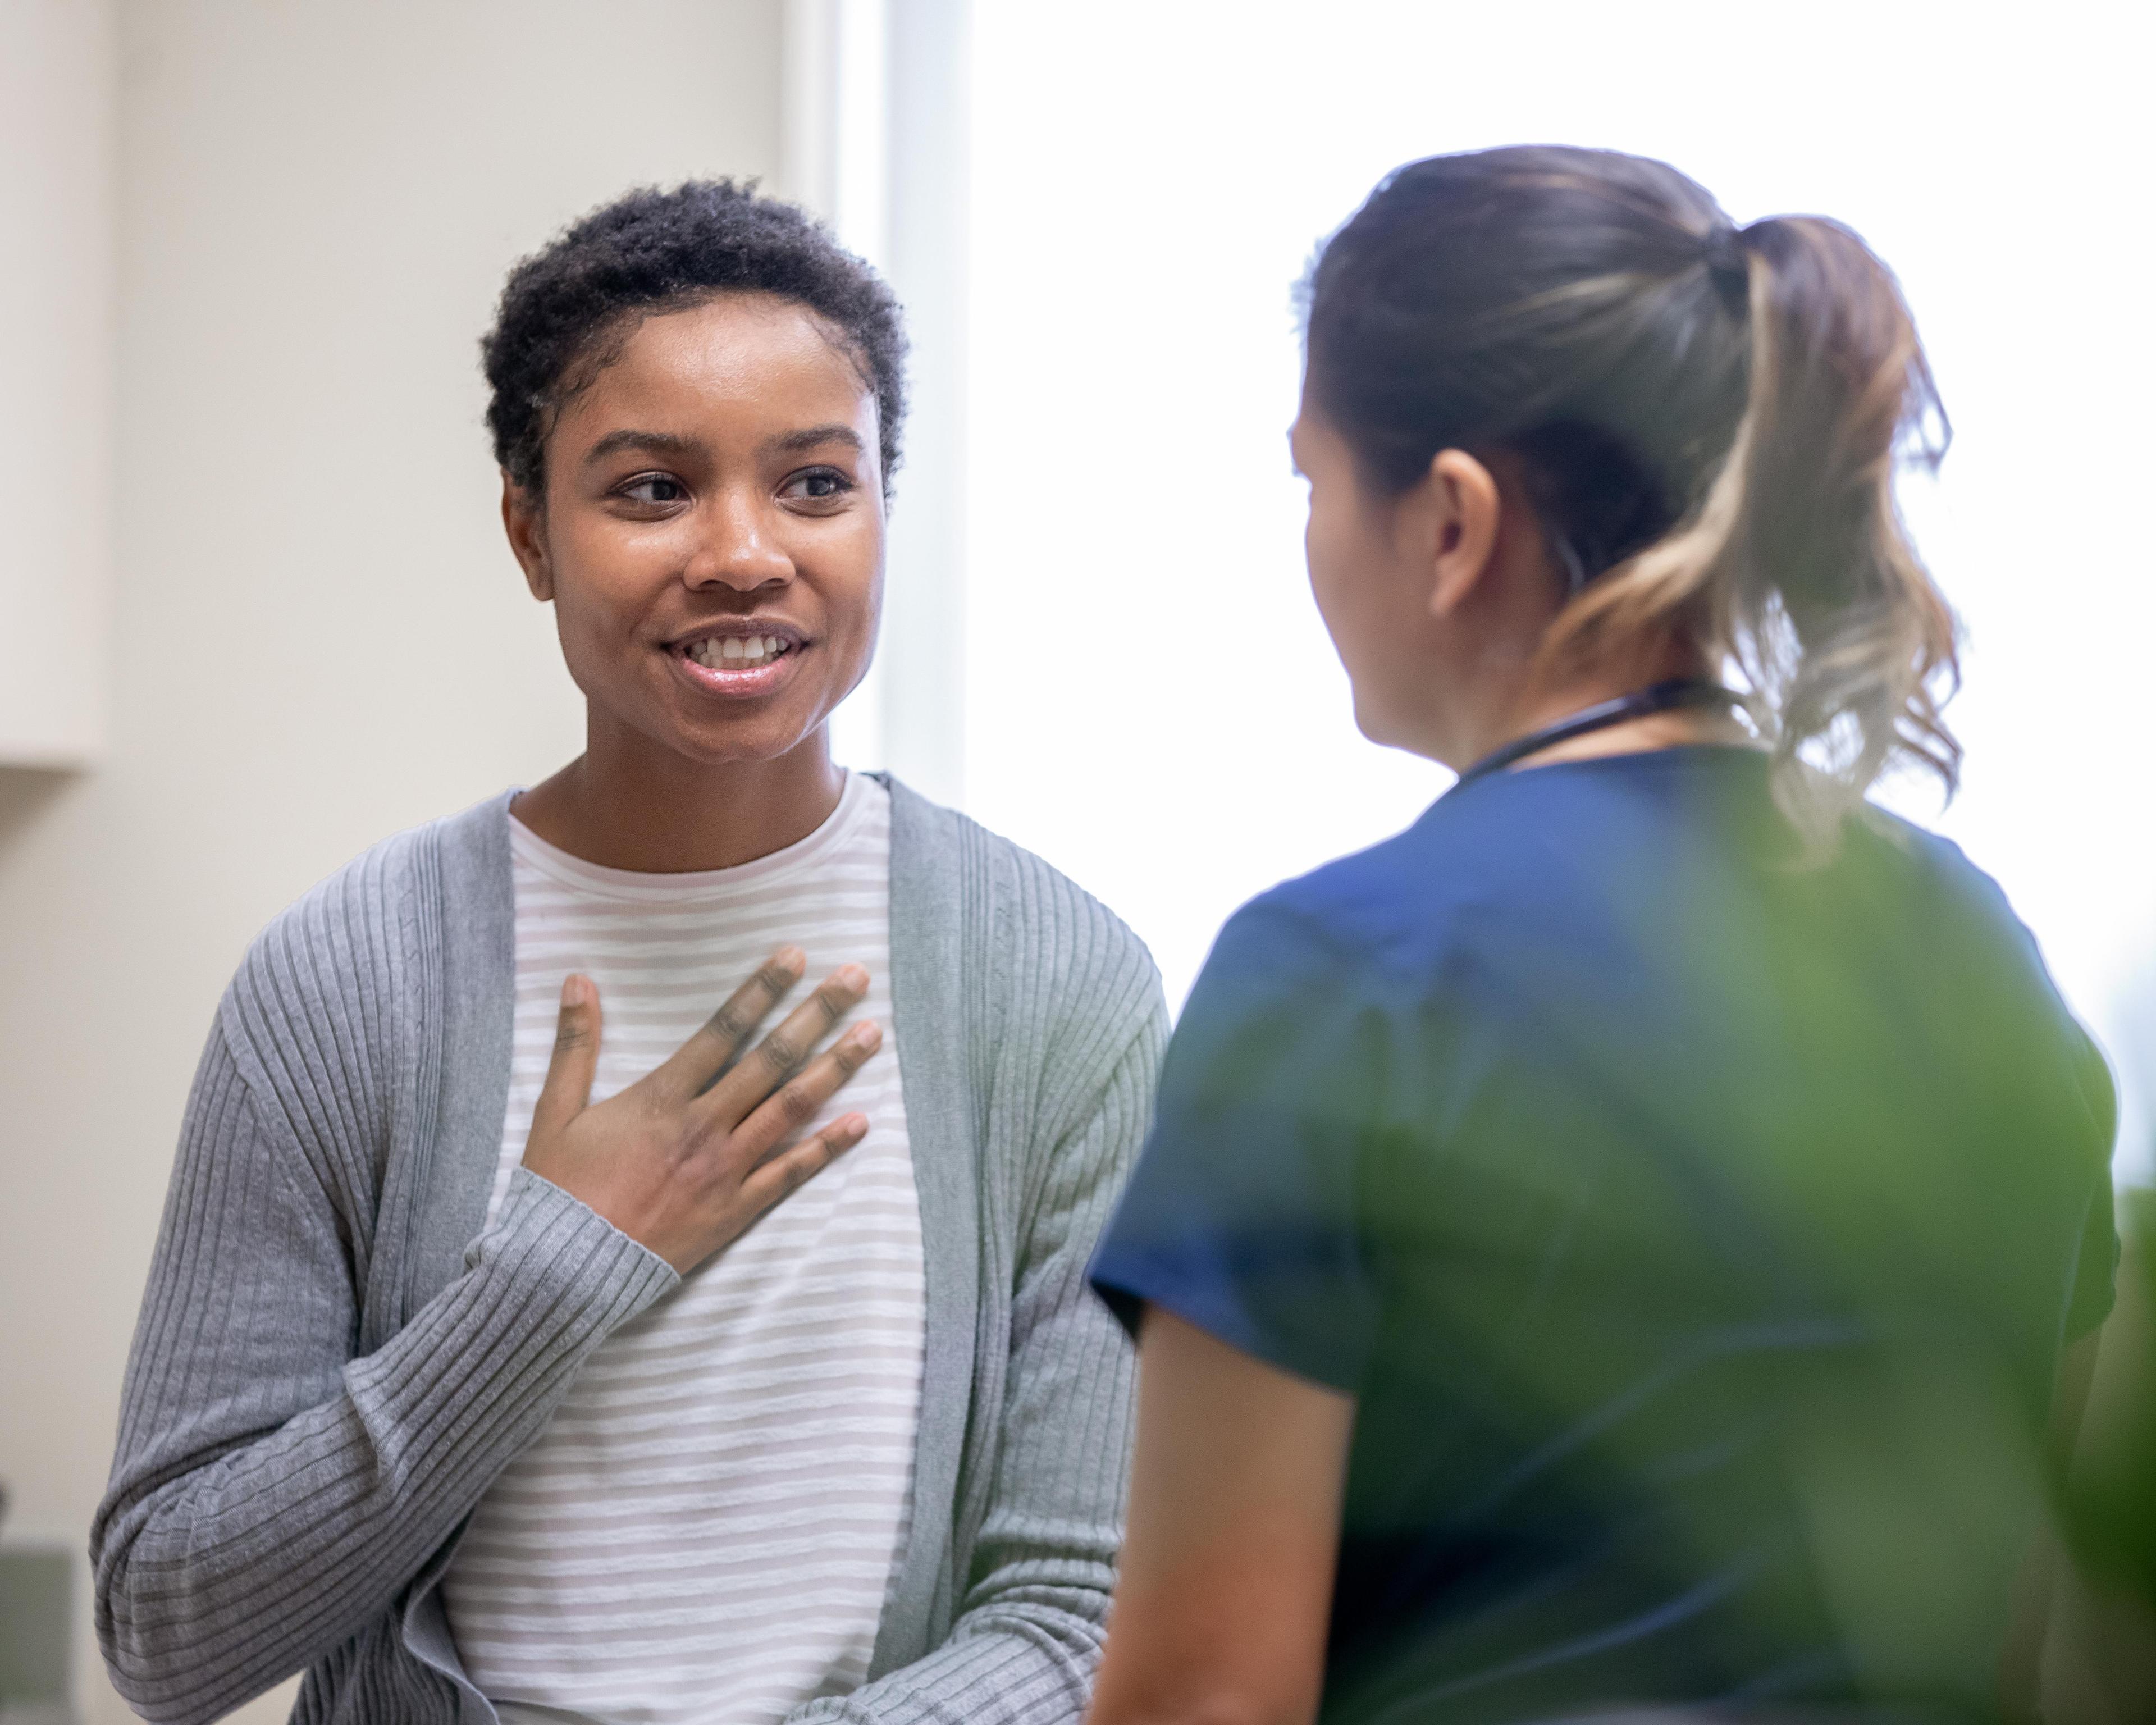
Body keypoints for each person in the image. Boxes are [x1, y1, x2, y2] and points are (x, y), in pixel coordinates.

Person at [94, 181, 1165, 1725]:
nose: (742, 553)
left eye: (814, 484)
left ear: (881, 512)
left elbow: (1086, 1622)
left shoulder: (1056, 984)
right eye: (652, 490)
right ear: (532, 535)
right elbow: (166, 1633)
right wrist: (551, 1271)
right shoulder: (343, 987)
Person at [1085, 147, 2117, 1725]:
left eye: (1311, 484)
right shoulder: (1985, 961)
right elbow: (2027, 1641)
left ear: (1449, 520)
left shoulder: (1342, 978)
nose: (1307, 543)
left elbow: (1204, 1703)